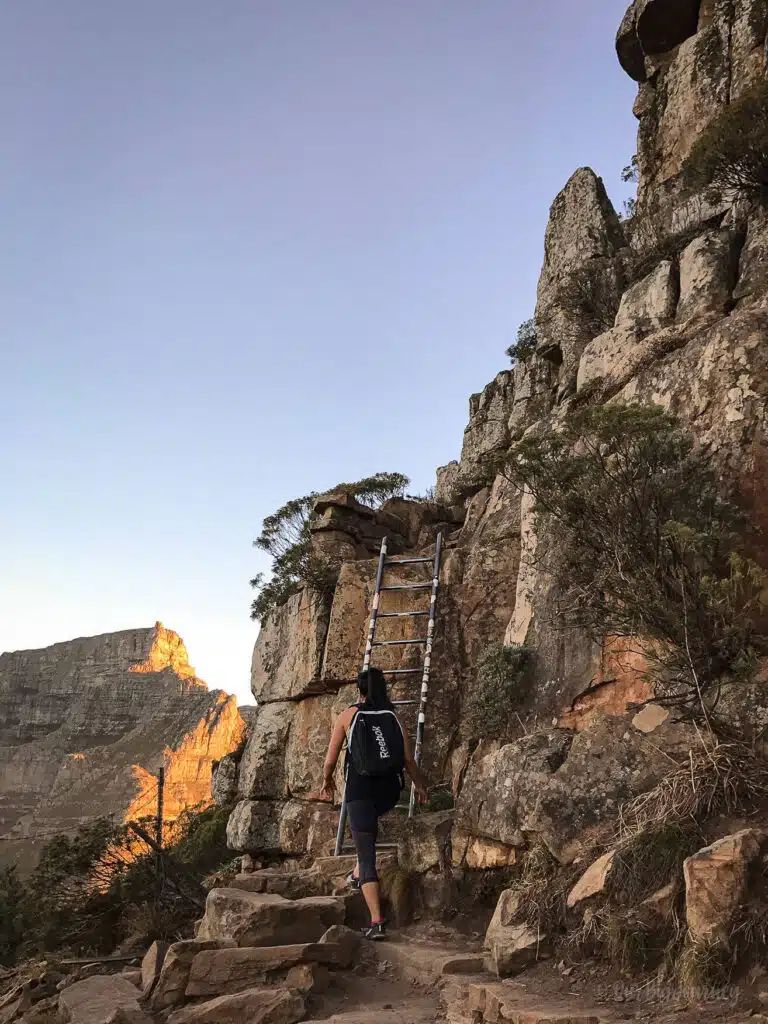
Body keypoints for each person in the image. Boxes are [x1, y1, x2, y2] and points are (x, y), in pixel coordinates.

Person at [319, 666, 429, 940]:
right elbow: (407, 760)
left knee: (366, 853)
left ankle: (377, 921)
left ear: (360, 690)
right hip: (389, 793)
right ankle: (357, 873)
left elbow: (331, 759)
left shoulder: (348, 715)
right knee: (365, 838)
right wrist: (421, 786)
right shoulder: (394, 716)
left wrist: (326, 781)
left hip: (360, 792)